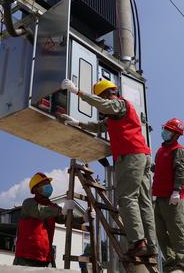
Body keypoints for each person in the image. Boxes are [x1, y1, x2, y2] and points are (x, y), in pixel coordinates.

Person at [61, 78, 157, 258]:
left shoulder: (118, 104)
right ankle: (151, 246)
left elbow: (105, 106)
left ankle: (138, 242)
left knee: (127, 198)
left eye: (101, 97)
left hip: (130, 155)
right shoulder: (116, 114)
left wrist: (77, 92)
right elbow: (99, 126)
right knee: (144, 202)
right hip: (141, 155)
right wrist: (78, 123)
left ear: (106, 94)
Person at [14, 172, 79, 267]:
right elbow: (40, 211)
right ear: (36, 188)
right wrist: (61, 211)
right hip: (26, 257)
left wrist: (84, 218)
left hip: (45, 257)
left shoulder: (52, 207)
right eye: (44, 184)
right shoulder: (28, 203)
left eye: (49, 183)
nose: (48, 186)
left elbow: (65, 218)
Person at [152, 118, 184, 272]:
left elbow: (181, 171)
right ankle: (170, 260)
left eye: (168, 130)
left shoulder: (178, 150)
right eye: (165, 129)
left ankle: (180, 262)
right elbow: (160, 169)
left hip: (172, 196)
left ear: (176, 134)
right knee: (160, 231)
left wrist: (176, 190)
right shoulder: (161, 151)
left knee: (176, 229)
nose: (165, 132)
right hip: (159, 196)